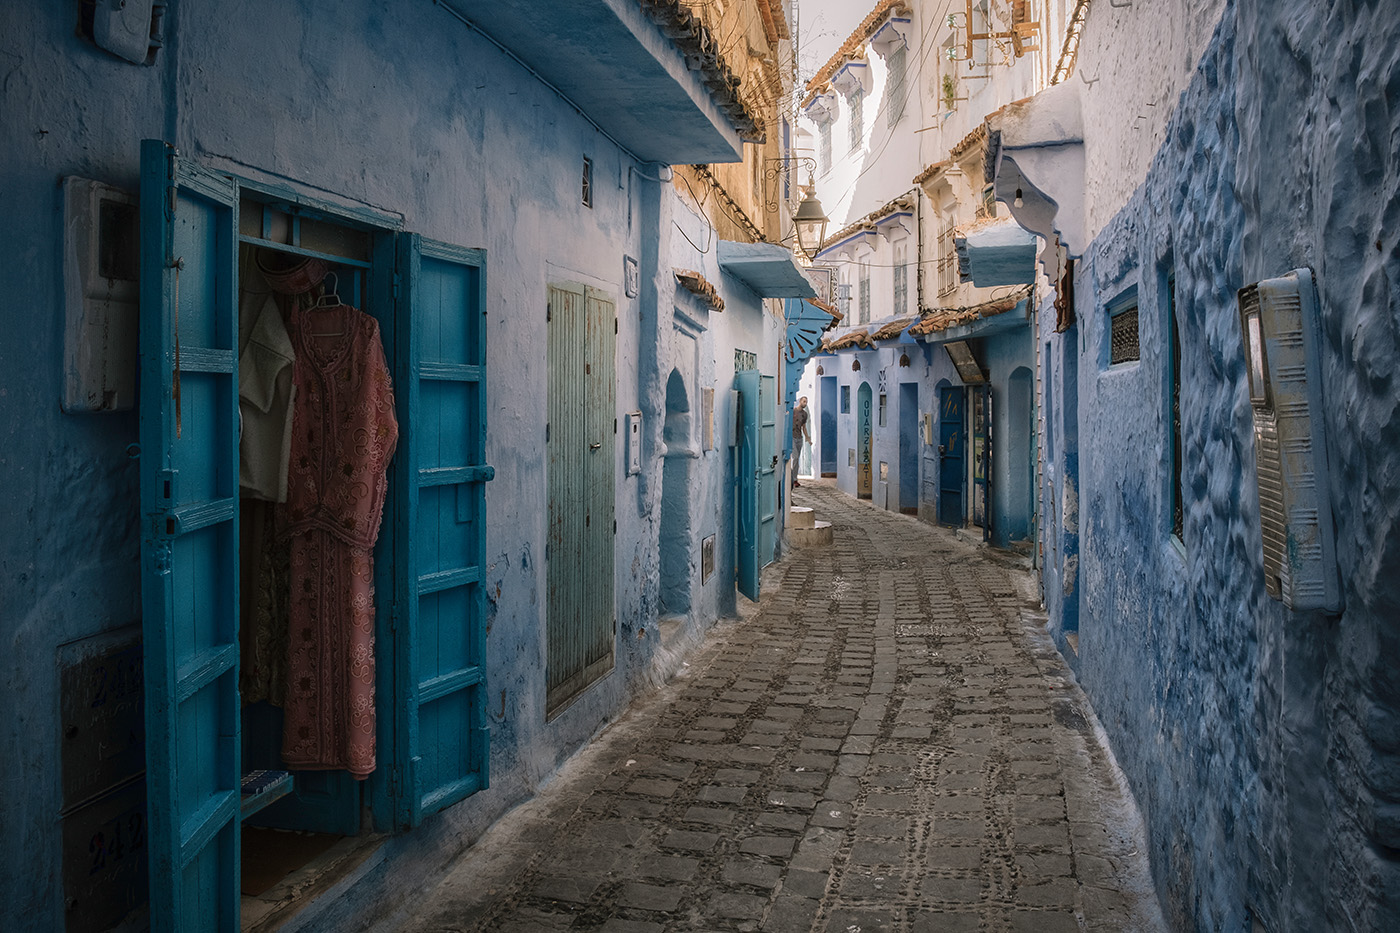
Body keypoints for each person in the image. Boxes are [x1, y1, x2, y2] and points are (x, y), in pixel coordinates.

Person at [791, 396, 812, 488]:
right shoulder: (793, 411)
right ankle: (793, 479)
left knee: (797, 459)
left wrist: (808, 438)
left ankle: (795, 479)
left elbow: (804, 427)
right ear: (800, 401)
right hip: (792, 437)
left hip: (799, 438)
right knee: (795, 458)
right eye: (804, 401)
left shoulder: (804, 414)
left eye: (806, 402)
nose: (805, 403)